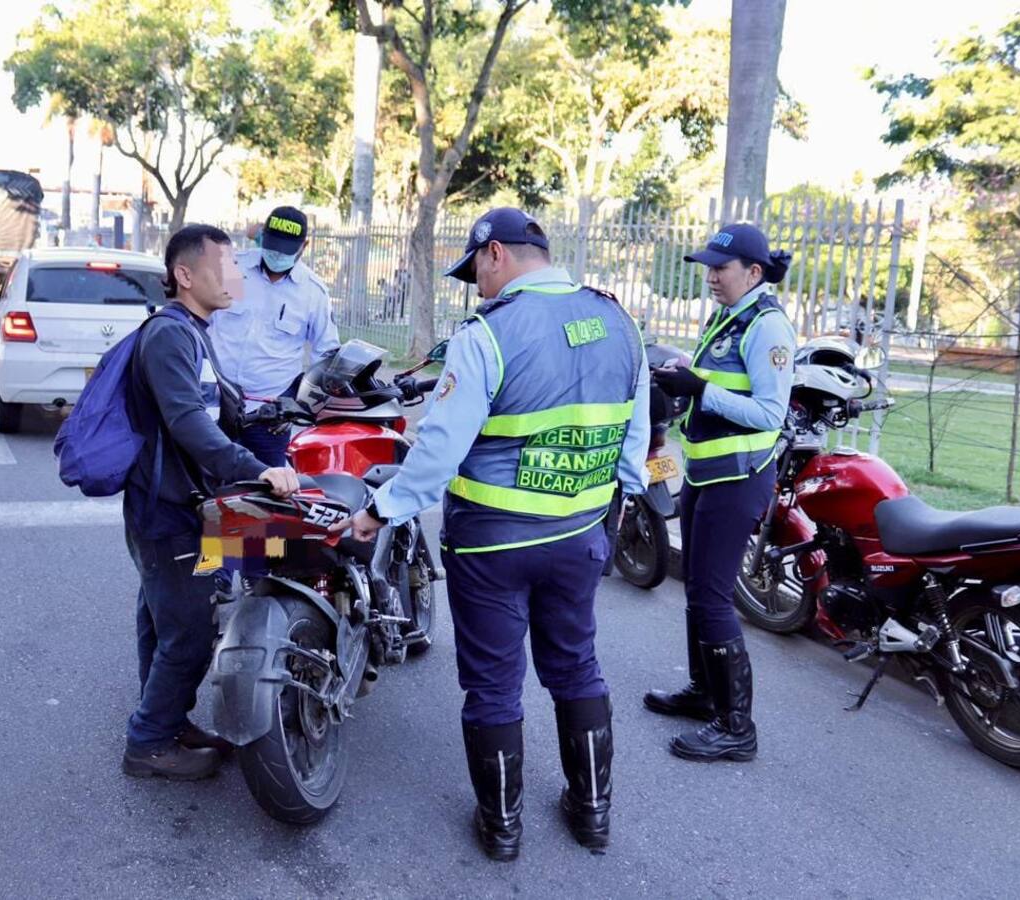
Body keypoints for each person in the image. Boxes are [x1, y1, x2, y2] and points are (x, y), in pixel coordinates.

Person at [331, 208, 650, 860]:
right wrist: (616, 509)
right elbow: (633, 440)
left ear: (496, 253)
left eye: (475, 269)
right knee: (576, 667)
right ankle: (593, 814)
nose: (476, 286)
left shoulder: (488, 335)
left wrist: (377, 511)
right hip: (580, 535)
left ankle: (502, 830)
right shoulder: (621, 323)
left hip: (493, 547)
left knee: (494, 684)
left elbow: (438, 453)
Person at [121, 223, 300, 782]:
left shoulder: (194, 332)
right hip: (170, 512)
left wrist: (275, 413)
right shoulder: (170, 336)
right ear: (185, 274)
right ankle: (148, 743)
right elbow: (190, 424)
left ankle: (168, 722)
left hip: (195, 507)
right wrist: (258, 470)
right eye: (224, 268)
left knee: (165, 617)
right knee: (190, 630)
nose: (234, 277)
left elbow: (221, 409)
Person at [643, 223, 795, 763]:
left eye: (720, 268)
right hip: (706, 473)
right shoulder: (729, 316)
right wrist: (685, 371)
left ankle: (737, 725)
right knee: (696, 594)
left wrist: (701, 389)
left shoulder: (768, 328)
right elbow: (720, 380)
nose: (710, 276)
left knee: (711, 595)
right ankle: (704, 691)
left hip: (739, 477)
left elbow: (770, 414)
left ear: (753, 273)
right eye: (707, 267)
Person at [209, 206, 340, 467]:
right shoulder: (235, 270)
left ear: (304, 246)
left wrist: (296, 404)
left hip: (269, 415)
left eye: (286, 249)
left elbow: (326, 357)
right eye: (273, 245)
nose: (277, 254)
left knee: (270, 493)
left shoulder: (313, 293)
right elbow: (204, 319)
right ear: (262, 236)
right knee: (202, 487)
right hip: (214, 403)